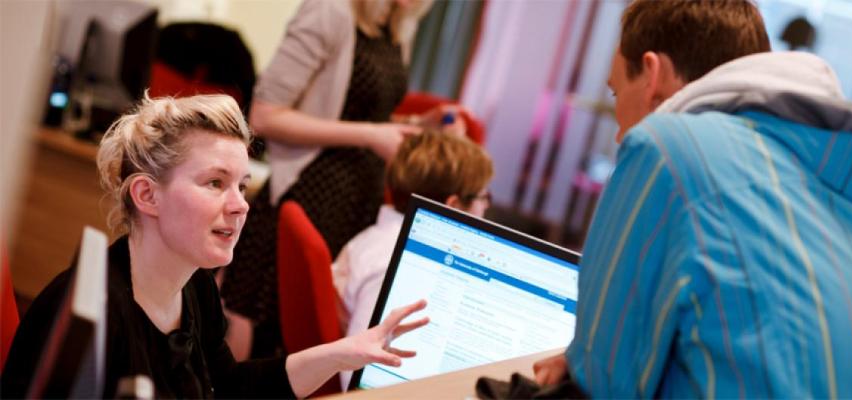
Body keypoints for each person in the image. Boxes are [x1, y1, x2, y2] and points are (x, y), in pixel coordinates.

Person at [534, 0, 852, 398]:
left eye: (615, 90)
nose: (620, 134)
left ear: (652, 75)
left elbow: (604, 386)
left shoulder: (664, 147)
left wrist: (584, 360)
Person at [0, 94, 429, 398]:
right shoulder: (89, 317)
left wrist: (342, 354)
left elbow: (227, 387)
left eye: (241, 186)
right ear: (147, 195)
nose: (240, 205)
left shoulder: (195, 286)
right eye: (215, 183)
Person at [220, 0, 453, 359]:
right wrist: (371, 136)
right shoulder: (329, 11)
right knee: (264, 328)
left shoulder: (395, 23)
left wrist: (419, 126)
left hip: (360, 200)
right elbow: (263, 116)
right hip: (310, 191)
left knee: (312, 338)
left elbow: (362, 110)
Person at [331, 130, 493, 388]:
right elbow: (356, 373)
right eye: (484, 197)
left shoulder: (377, 238)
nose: (486, 208)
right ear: (453, 206)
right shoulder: (395, 265)